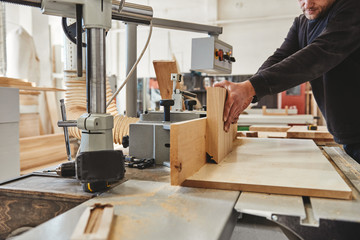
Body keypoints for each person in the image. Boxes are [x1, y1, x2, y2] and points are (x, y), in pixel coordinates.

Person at [214, 0, 360, 163]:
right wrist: (249, 91)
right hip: (349, 137)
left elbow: (319, 54)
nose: (307, 3)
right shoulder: (302, 23)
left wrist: (251, 88)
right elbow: (279, 57)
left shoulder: (353, 9)